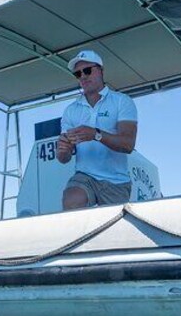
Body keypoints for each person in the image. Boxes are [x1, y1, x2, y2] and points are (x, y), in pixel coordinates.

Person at [56, 49, 138, 210]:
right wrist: (63, 150)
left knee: (114, 231)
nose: (83, 76)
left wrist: (95, 134)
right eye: (78, 74)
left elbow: (128, 144)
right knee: (72, 200)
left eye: (87, 70)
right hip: (85, 176)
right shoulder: (70, 110)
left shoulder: (122, 101)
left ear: (101, 70)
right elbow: (63, 158)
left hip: (117, 181)